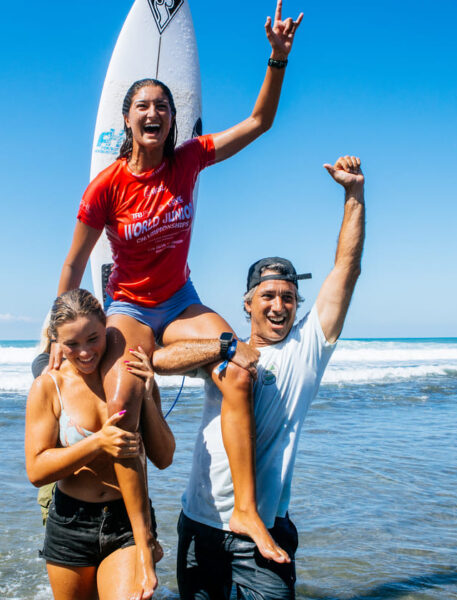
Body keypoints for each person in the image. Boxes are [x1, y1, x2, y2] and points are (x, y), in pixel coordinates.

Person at [55, 3, 305, 595]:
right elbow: (72, 262)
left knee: (241, 366)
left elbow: (260, 122)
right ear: (127, 118)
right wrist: (54, 331)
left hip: (182, 298)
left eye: (163, 107)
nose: (154, 113)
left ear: (175, 121)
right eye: (143, 105)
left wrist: (278, 56)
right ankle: (142, 542)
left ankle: (243, 509)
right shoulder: (107, 186)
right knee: (123, 399)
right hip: (131, 307)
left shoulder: (189, 159)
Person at [153, 156, 366, 599]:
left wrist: (353, 195)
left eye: (289, 298)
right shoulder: (222, 347)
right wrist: (224, 347)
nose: (279, 306)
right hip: (200, 522)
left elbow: (346, 271)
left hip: (264, 530)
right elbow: (158, 359)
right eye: (268, 295)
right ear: (247, 304)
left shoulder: (307, 348)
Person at [25, 289, 176, 600]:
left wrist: (147, 394)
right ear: (56, 342)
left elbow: (164, 457)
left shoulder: (127, 377)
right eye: (72, 344)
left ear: (106, 326)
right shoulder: (48, 388)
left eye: (93, 338)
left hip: (126, 520)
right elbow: (37, 470)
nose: (84, 352)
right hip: (70, 523)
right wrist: (98, 443)